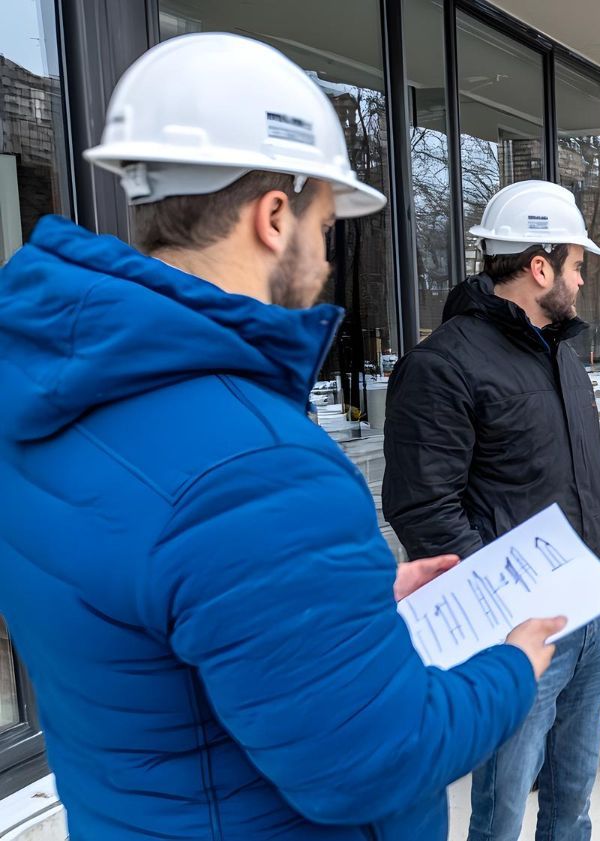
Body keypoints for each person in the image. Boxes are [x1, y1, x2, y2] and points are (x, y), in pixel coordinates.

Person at [0, 33, 563, 840]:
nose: (329, 262)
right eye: (326, 223)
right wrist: (514, 664)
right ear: (273, 216)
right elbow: (380, 757)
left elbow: (177, 617)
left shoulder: (43, 401)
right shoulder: (256, 466)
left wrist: (342, 598)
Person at [382, 180, 600, 841]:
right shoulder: (442, 367)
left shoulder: (563, 358)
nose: (581, 281)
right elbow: (422, 504)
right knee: (500, 817)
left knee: (573, 805)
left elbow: (590, 471)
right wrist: (501, 605)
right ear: (539, 265)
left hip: (591, 617)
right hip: (519, 636)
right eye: (577, 266)